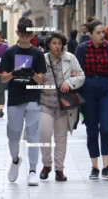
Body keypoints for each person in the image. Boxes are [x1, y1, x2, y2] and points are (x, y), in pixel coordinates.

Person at [75, 19, 108, 179]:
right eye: (98, 32)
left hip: (106, 89)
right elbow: (75, 70)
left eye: (103, 32)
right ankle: (94, 167)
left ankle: (106, 166)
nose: (102, 35)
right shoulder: (82, 49)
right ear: (90, 34)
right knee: (91, 130)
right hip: (87, 89)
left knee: (106, 128)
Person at [0, 17, 46, 186]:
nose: (25, 38)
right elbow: (3, 79)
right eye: (22, 34)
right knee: (13, 134)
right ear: (17, 33)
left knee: (34, 134)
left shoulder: (38, 53)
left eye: (28, 34)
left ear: (32, 34)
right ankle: (14, 160)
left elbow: (41, 80)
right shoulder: (9, 52)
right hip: (15, 98)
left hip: (33, 97)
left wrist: (31, 73)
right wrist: (14, 73)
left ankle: (33, 170)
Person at [39, 31, 85, 182]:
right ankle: (46, 164)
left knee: (61, 138)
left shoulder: (70, 58)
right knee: (44, 134)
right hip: (44, 102)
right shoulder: (42, 59)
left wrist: (69, 83)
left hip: (63, 105)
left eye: (59, 43)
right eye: (54, 43)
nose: (57, 46)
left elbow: (81, 76)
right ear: (48, 45)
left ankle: (59, 169)